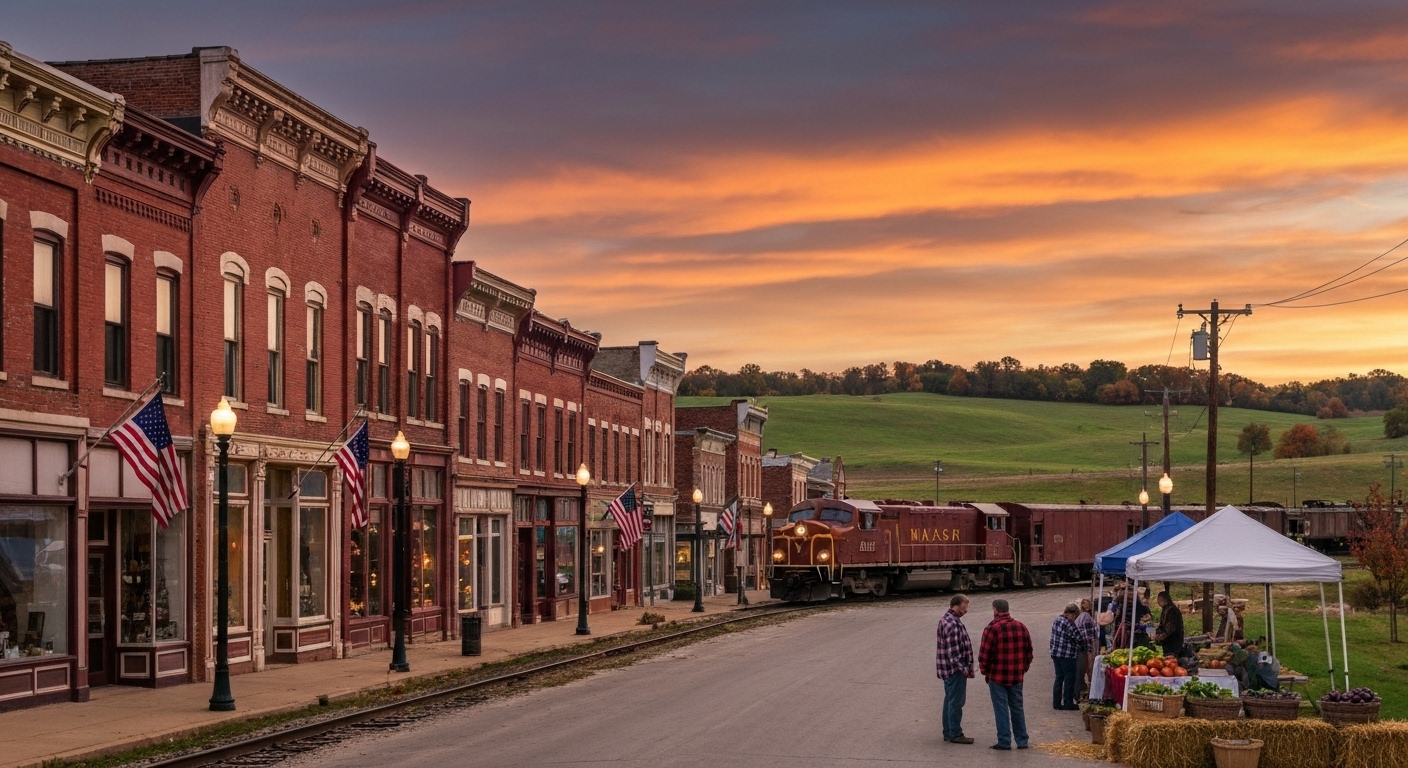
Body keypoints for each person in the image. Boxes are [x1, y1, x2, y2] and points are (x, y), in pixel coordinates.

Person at [979, 598, 1033, 751]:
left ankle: (1004, 741)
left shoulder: (992, 628)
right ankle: (1022, 740)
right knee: (1017, 707)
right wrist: (1023, 668)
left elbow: (984, 655)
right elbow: (1029, 653)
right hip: (1016, 676)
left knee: (1001, 708)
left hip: (997, 676)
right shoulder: (1021, 627)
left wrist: (986, 672)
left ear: (995, 610)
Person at [935, 594, 975, 745]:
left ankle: (948, 731)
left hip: (948, 669)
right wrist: (964, 669)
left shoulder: (948, 620)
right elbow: (954, 652)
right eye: (965, 606)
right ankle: (955, 733)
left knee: (950, 701)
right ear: (956, 605)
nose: (966, 610)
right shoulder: (952, 623)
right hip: (954, 670)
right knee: (956, 702)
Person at [1049, 603, 1085, 710]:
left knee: (1059, 677)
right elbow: (1078, 638)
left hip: (1055, 653)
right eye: (1075, 617)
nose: (1075, 619)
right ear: (1071, 614)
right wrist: (1083, 647)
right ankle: (1068, 702)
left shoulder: (1057, 620)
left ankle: (1056, 702)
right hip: (1067, 655)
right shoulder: (1068, 623)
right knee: (1070, 678)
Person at [1076, 598, 1099, 693]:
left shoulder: (1081, 617)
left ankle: (1088, 688)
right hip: (1087, 648)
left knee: (1086, 669)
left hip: (1084, 647)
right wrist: (1089, 652)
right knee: (1090, 668)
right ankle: (1091, 689)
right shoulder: (1086, 617)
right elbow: (1087, 638)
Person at [1153, 591, 1185, 659]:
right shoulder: (1166, 609)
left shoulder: (1172, 610)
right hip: (1168, 642)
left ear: (1161, 600)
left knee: (1170, 660)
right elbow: (1162, 624)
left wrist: (1162, 636)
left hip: (1173, 642)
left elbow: (1170, 627)